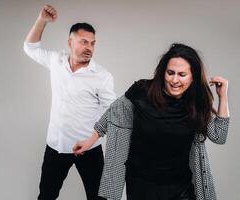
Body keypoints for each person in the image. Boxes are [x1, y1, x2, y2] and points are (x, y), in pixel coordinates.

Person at [73, 43, 230, 200]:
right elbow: (113, 113)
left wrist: (223, 97)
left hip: (181, 188)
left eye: (182, 75)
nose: (175, 80)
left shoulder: (196, 104)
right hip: (142, 185)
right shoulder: (142, 92)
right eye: (170, 73)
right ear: (163, 73)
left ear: (193, 77)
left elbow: (219, 136)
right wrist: (90, 140)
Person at [23, 4, 116, 200]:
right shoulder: (56, 61)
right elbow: (29, 47)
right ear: (70, 42)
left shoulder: (102, 76)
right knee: (46, 196)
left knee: (99, 198)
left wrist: (91, 140)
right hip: (56, 145)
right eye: (83, 42)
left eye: (92, 43)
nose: (89, 47)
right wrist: (41, 21)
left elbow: (112, 113)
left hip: (89, 148)